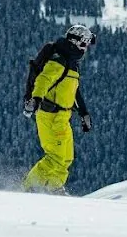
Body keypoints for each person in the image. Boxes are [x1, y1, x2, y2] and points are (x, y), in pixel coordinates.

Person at [22, 24, 95, 193]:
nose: (85, 48)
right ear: (75, 42)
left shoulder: (72, 64)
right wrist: (36, 99)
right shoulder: (59, 60)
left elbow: (73, 91)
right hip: (50, 116)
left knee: (66, 158)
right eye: (84, 43)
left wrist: (83, 113)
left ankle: (54, 189)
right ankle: (28, 188)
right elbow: (43, 80)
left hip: (63, 118)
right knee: (55, 157)